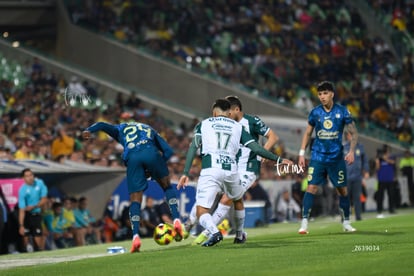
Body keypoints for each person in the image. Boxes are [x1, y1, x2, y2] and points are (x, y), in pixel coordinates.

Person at [177, 99, 293, 246]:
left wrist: (185, 172)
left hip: (211, 169)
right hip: (232, 171)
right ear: (228, 112)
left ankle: (213, 232)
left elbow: (193, 147)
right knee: (237, 199)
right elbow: (257, 148)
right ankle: (239, 235)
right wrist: (278, 159)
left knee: (202, 210)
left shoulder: (204, 124)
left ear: (214, 112)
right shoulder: (237, 127)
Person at [82, 120, 186, 253]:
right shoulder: (149, 129)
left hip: (133, 157)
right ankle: (176, 219)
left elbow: (102, 124)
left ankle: (135, 236)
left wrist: (88, 130)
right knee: (167, 186)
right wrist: (158, 165)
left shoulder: (120, 129)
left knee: (135, 199)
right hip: (151, 153)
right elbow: (168, 151)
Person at [297, 81, 358, 234]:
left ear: (332, 94)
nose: (322, 97)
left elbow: (354, 132)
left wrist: (351, 151)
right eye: (319, 94)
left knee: (342, 191)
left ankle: (346, 222)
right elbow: (307, 133)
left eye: (325, 93)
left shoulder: (343, 111)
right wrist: (301, 153)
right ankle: (304, 223)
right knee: (311, 187)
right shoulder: (315, 112)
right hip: (318, 156)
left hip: (336, 158)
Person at [18, 168, 48, 252]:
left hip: (36, 214)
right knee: (25, 240)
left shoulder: (40, 183)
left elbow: (44, 199)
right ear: (23, 178)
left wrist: (34, 206)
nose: (30, 177)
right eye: (27, 176)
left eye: (31, 175)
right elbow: (22, 209)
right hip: (26, 216)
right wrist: (21, 225)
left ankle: (39, 252)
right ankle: (26, 253)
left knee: (38, 239)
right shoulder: (22, 190)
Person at [343, 130, 369, 221]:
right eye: (349, 135)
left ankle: (358, 216)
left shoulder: (360, 147)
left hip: (357, 177)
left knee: (357, 198)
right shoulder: (343, 147)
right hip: (346, 177)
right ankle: (344, 217)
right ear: (347, 137)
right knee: (345, 198)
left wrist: (366, 171)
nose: (351, 137)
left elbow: (365, 160)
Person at [375, 145, 397, 218]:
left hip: (390, 179)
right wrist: (378, 161)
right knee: (380, 196)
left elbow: (393, 162)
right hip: (381, 179)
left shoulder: (392, 157)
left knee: (391, 195)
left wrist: (386, 159)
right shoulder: (379, 159)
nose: (387, 152)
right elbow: (377, 168)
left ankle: (391, 209)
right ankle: (379, 209)